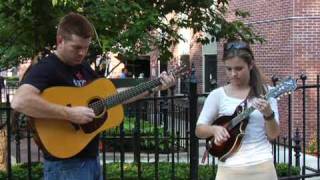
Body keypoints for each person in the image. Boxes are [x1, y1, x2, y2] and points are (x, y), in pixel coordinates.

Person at [11, 12, 176, 180]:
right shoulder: (47, 68)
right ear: (60, 41)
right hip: (65, 167)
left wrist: (153, 87)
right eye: (76, 47)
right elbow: (20, 101)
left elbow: (113, 97)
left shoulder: (83, 68)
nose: (82, 53)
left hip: (91, 161)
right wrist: (69, 113)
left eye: (86, 47)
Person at [195, 40, 280, 180]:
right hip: (229, 168)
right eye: (229, 69)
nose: (233, 74)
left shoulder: (267, 94)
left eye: (239, 68)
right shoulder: (217, 95)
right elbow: (199, 130)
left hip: (262, 166)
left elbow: (273, 135)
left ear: (251, 65)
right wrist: (214, 130)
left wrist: (268, 114)